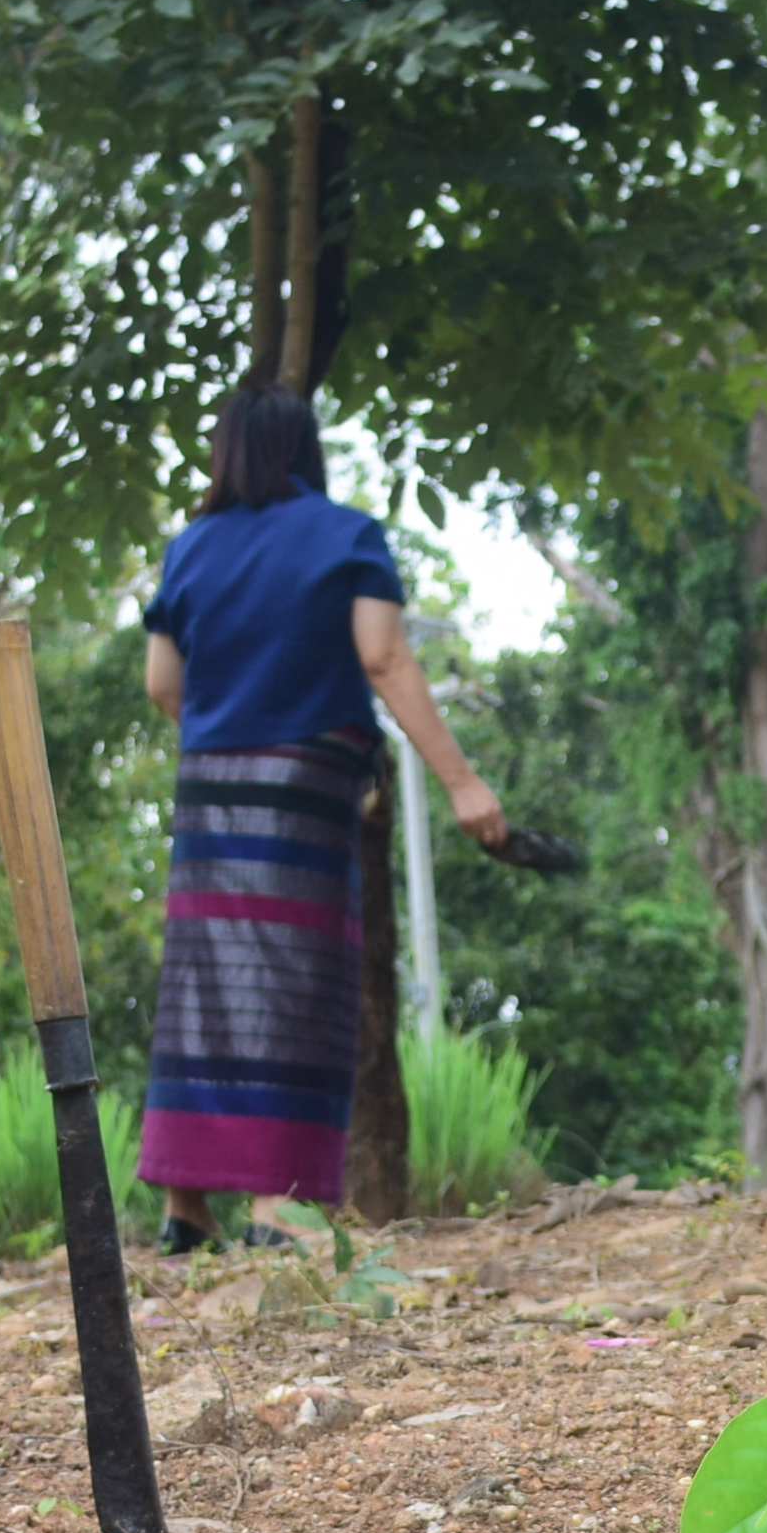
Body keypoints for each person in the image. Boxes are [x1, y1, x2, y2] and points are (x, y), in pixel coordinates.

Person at [137, 388, 509, 1249]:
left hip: (209, 786)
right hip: (304, 780)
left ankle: (184, 1210)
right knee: (293, 982)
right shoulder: (346, 535)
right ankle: (278, 1205)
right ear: (306, 448)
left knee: (204, 982)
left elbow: (163, 686)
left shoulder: (188, 547)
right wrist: (462, 783)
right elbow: (381, 654)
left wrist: (230, 730)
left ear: (223, 453)